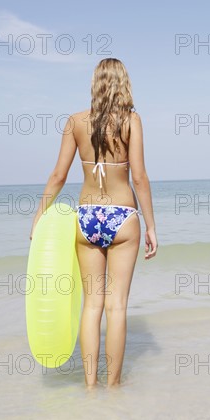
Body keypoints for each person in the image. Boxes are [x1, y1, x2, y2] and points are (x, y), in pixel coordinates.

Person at [29, 57, 158, 388]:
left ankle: (90, 387)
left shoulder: (75, 121)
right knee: (116, 308)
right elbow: (140, 178)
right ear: (123, 83)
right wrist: (152, 226)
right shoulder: (132, 122)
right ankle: (113, 387)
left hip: (86, 219)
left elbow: (58, 174)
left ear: (94, 83)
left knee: (92, 306)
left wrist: (40, 214)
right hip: (123, 218)